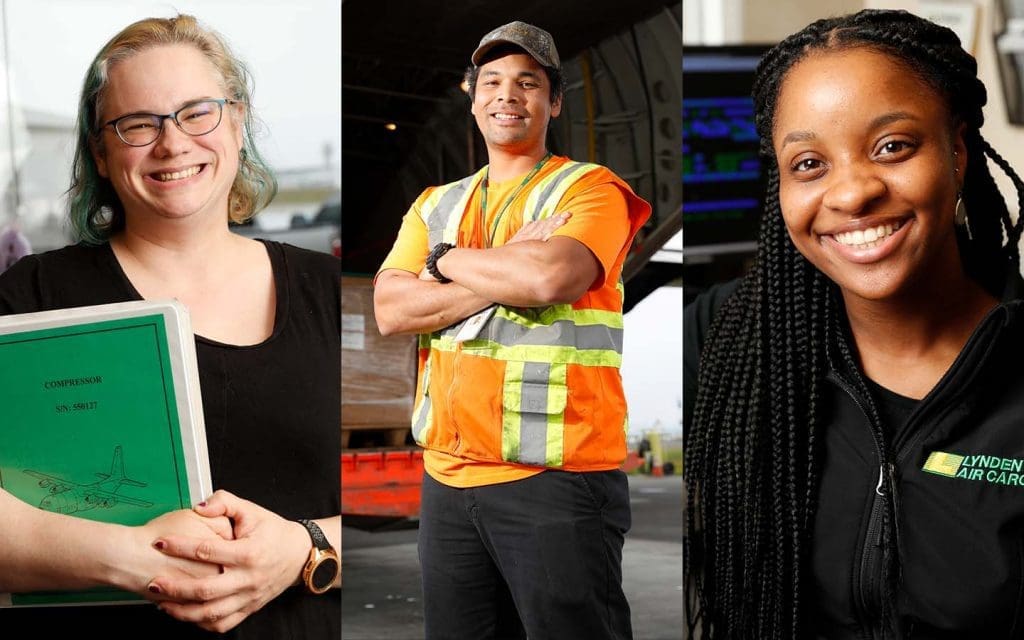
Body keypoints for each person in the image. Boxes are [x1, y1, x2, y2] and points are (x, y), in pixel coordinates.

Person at [684, 8, 1024, 638]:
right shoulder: (724, 338)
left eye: (892, 147)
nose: (851, 193)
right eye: (809, 164)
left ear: (955, 151)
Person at [0, 14, 340, 638]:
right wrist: (139, 560)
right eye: (137, 124)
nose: (172, 143)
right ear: (101, 154)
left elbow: (434, 483)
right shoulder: (32, 297)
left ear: (237, 122)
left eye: (197, 112)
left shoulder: (328, 292)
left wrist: (303, 549)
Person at [373, 20, 651, 640]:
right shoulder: (434, 204)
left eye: (527, 83)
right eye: (492, 81)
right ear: (472, 100)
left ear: (553, 102)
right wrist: (493, 265)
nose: (507, 95)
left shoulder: (591, 189)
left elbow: (552, 278)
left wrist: (440, 266)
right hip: (447, 478)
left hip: (555, 481)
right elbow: (392, 310)